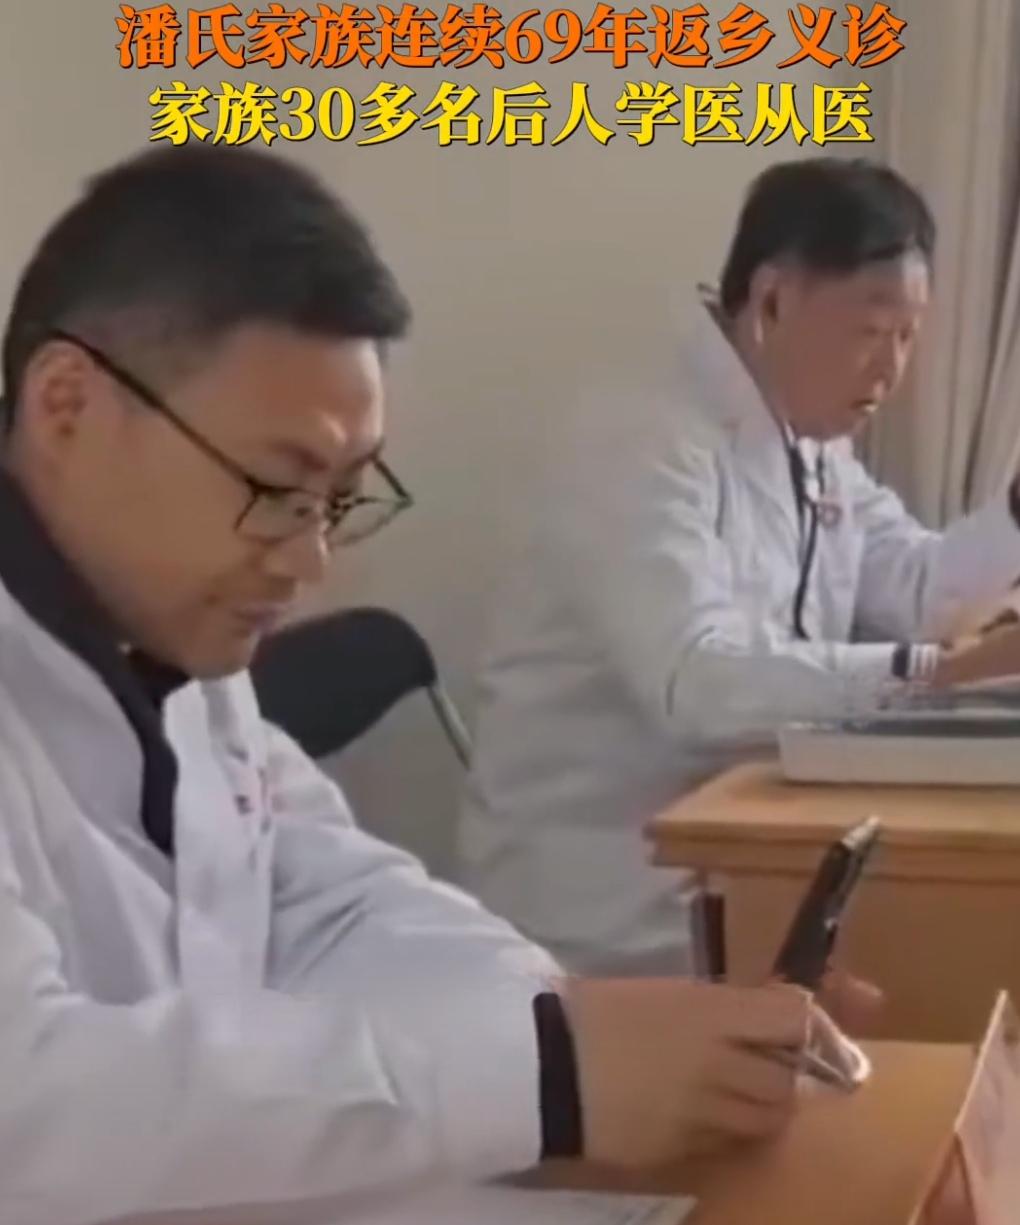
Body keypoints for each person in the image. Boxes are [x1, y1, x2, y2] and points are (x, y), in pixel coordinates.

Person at [0, 145, 857, 1225]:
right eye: (278, 486)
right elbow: (29, 1104)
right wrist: (542, 1076)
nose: (310, 560)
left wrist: (569, 1028)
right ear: (67, 405)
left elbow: (327, 895)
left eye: (338, 500)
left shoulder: (170, 632)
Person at [458, 156, 1020, 979]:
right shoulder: (641, 437)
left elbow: (916, 588)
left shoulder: (807, 436)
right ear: (772, 301)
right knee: (940, 959)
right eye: (871, 332)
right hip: (610, 902)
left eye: (908, 337)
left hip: (750, 843)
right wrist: (938, 672)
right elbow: (697, 684)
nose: (892, 369)